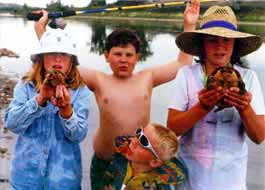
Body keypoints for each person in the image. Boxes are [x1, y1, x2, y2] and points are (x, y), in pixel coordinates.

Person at [34, 1, 199, 189]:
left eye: (129, 55)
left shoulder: (148, 78)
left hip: (140, 163)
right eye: (117, 54)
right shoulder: (98, 80)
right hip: (105, 161)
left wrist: (189, 25)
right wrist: (41, 30)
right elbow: (62, 65)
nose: (123, 59)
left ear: (138, 57)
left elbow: (183, 64)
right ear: (106, 56)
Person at [167, 5, 265, 190]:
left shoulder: (247, 77)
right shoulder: (186, 75)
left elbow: (259, 136)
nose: (220, 46)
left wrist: (245, 108)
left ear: (235, 44)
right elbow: (172, 130)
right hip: (190, 178)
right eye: (212, 40)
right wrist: (202, 107)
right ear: (202, 44)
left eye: (226, 40)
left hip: (231, 180)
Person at [4, 29, 91, 190]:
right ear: (41, 58)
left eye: (64, 54)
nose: (58, 59)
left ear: (72, 61)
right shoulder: (25, 86)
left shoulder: (81, 91)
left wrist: (66, 111)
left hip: (64, 182)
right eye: (51, 53)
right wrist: (40, 99)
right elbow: (12, 124)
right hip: (25, 179)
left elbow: (78, 135)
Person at [102, 123, 189, 190]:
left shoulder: (157, 187)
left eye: (143, 143)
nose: (134, 141)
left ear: (154, 162)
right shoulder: (120, 160)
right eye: (138, 134)